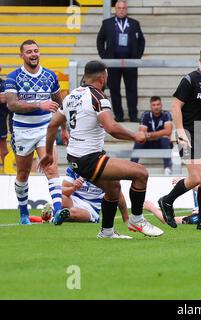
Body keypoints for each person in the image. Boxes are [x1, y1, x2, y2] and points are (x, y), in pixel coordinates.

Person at [39, 60, 163, 238]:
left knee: (113, 187)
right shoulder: (98, 97)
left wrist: (48, 154)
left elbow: (52, 125)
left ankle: (106, 232)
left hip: (75, 159)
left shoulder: (71, 96)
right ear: (102, 77)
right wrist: (135, 135)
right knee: (141, 173)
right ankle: (137, 220)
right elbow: (111, 128)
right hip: (89, 158)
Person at [158, 46, 201, 231]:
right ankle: (166, 201)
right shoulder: (189, 80)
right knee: (195, 177)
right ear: (200, 61)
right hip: (188, 133)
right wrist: (179, 131)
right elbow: (175, 106)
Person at [4, 40, 68, 225]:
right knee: (23, 173)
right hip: (22, 130)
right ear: (22, 55)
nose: (33, 54)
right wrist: (39, 104)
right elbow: (12, 104)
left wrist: (64, 129)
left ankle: (58, 212)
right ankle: (24, 214)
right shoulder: (13, 77)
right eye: (29, 51)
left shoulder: (49, 75)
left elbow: (59, 103)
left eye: (36, 51)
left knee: (52, 168)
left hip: (45, 129)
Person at [96, 0, 145, 122]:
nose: (121, 10)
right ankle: (119, 115)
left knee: (132, 89)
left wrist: (137, 57)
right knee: (114, 89)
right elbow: (100, 40)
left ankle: (133, 115)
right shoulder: (107, 23)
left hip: (130, 62)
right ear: (115, 9)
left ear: (126, 9)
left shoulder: (134, 23)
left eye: (123, 8)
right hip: (113, 63)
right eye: (119, 8)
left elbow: (142, 41)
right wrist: (104, 57)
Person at [41, 166, 129, 224]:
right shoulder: (74, 167)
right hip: (74, 200)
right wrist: (73, 188)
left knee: (74, 212)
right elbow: (62, 191)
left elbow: (118, 194)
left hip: (92, 208)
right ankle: (54, 213)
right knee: (61, 198)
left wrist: (126, 218)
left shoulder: (106, 171)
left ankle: (52, 216)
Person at [130, 96, 173, 175]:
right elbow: (142, 134)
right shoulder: (145, 115)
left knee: (165, 139)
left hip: (162, 143)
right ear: (150, 106)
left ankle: (167, 168)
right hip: (148, 143)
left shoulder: (166, 114)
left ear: (161, 105)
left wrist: (149, 134)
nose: (156, 107)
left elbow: (168, 131)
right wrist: (160, 134)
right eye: (153, 105)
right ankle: (132, 167)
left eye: (158, 104)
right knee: (139, 140)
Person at [0, 65, 13, 165]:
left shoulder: (4, 84)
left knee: (3, 150)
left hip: (1, 123)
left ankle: (7, 170)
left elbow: (6, 100)